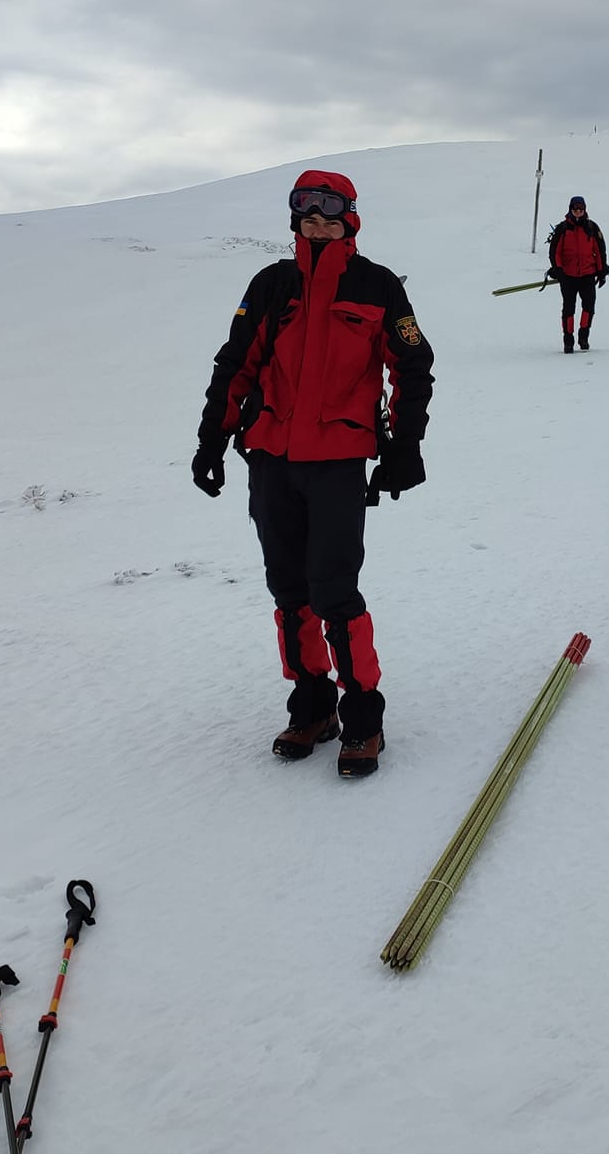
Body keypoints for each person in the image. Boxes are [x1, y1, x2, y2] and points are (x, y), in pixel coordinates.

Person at [192, 170, 434, 776]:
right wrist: (211, 440)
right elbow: (236, 366)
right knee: (289, 592)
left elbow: (413, 367)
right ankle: (312, 706)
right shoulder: (272, 286)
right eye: (307, 212)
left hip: (339, 465)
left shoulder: (376, 287)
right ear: (295, 219)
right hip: (272, 461)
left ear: (350, 218)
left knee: (334, 591)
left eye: (330, 212)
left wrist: (405, 447)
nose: (317, 222)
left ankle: (362, 718)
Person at [545, 194, 609, 353]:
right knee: (569, 309)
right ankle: (568, 340)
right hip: (568, 276)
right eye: (575, 209)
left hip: (587, 275)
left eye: (581, 210)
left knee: (588, 307)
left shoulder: (592, 228)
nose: (578, 212)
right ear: (570, 209)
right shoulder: (563, 229)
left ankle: (584, 336)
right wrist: (558, 270)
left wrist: (601, 272)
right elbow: (555, 252)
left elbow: (600, 251)